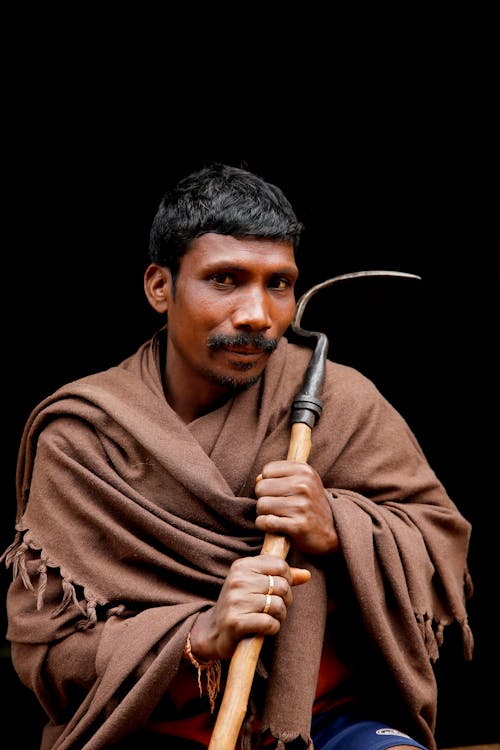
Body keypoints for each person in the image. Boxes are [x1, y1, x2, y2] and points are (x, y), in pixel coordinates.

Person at [1, 163, 474, 750]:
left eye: (278, 283)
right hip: (147, 730)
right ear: (159, 287)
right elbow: (46, 655)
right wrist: (197, 635)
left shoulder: (339, 400)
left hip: (320, 725)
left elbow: (442, 550)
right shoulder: (83, 437)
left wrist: (340, 529)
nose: (257, 314)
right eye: (225, 280)